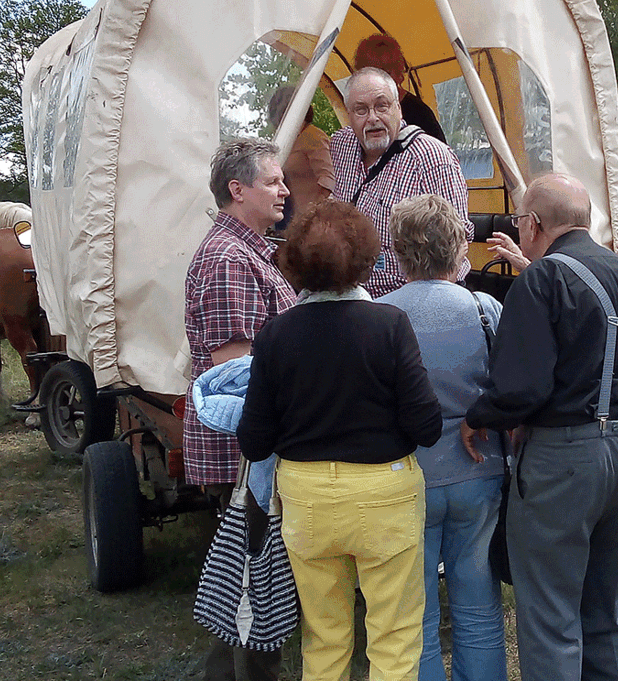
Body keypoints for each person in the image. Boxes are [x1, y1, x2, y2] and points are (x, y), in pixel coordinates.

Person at [463, 173, 618, 681]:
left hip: (564, 458)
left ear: (532, 224)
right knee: (607, 609)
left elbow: (521, 390)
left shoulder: (542, 278)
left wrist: (478, 417)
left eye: (519, 220)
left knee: (551, 615)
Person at [237, 200, 442, 681]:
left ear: (295, 264)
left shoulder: (274, 335)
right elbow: (426, 426)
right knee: (393, 637)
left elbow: (254, 440)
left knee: (323, 637)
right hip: (384, 494)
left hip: (307, 500)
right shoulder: (389, 325)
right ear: (368, 261)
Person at [378, 194, 507, 681]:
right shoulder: (484, 307)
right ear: (457, 247)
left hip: (408, 475)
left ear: (398, 252)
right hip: (480, 469)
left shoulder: (381, 314)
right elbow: (506, 384)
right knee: (479, 604)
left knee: (417, 615)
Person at [184, 137, 298, 681]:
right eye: (273, 181)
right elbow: (238, 375)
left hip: (250, 449)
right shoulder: (230, 260)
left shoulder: (246, 251)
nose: (285, 190)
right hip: (246, 452)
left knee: (245, 579)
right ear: (238, 189)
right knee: (256, 577)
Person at [331, 67, 471, 297]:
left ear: (398, 108)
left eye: (381, 106)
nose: (373, 117)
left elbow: (458, 240)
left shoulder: (433, 158)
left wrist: (424, 303)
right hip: (355, 299)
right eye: (361, 110)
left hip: (418, 299)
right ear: (348, 114)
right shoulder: (340, 146)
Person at [354, 34, 447, 144]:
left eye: (386, 73)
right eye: (370, 73)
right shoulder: (360, 112)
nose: (377, 81)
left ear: (399, 74)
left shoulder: (418, 113)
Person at [266, 85, 335, 230]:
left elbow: (328, 178)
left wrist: (312, 213)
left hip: (309, 224)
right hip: (286, 222)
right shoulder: (285, 142)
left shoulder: (314, 136)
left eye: (281, 111)